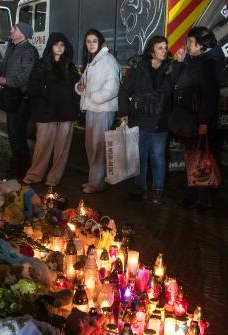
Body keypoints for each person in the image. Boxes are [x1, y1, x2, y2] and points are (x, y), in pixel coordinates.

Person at [118, 35, 173, 204]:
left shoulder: (170, 69)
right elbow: (124, 91)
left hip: (160, 122)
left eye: (165, 47)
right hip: (140, 120)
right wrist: (124, 113)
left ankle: (158, 189)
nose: (164, 51)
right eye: (160, 48)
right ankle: (140, 188)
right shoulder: (139, 68)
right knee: (140, 156)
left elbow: (171, 93)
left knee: (157, 156)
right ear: (151, 50)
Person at [172, 27, 222, 211]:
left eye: (190, 42)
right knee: (192, 158)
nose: (187, 45)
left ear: (201, 45)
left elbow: (210, 96)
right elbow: (176, 81)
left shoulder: (208, 64)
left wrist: (203, 122)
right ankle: (190, 196)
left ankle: (202, 201)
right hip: (189, 120)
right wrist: (179, 61)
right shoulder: (191, 61)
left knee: (202, 159)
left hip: (200, 121)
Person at [23, 33, 80, 187]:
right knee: (42, 146)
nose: (60, 48)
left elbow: (76, 90)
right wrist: (41, 107)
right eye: (56, 44)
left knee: (62, 150)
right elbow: (33, 89)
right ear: (51, 46)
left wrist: (75, 107)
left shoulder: (70, 67)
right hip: (45, 114)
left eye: (62, 45)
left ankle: (53, 178)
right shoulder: (41, 65)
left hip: (66, 114)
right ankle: (35, 174)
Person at [0, 23, 39, 179]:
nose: (11, 30)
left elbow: (26, 75)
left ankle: (22, 168)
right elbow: (4, 65)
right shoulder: (12, 46)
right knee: (13, 133)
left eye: (15, 29)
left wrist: (5, 80)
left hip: (22, 99)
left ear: (23, 34)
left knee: (18, 134)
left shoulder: (29, 51)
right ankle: (16, 164)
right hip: (11, 96)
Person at [76, 29, 120, 194]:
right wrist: (80, 88)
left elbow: (112, 89)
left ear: (100, 42)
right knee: (91, 146)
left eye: (94, 41)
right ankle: (94, 180)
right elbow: (85, 84)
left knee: (98, 147)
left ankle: (96, 183)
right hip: (92, 108)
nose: (91, 44)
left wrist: (92, 97)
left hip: (102, 109)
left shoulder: (107, 61)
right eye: (88, 41)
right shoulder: (93, 60)